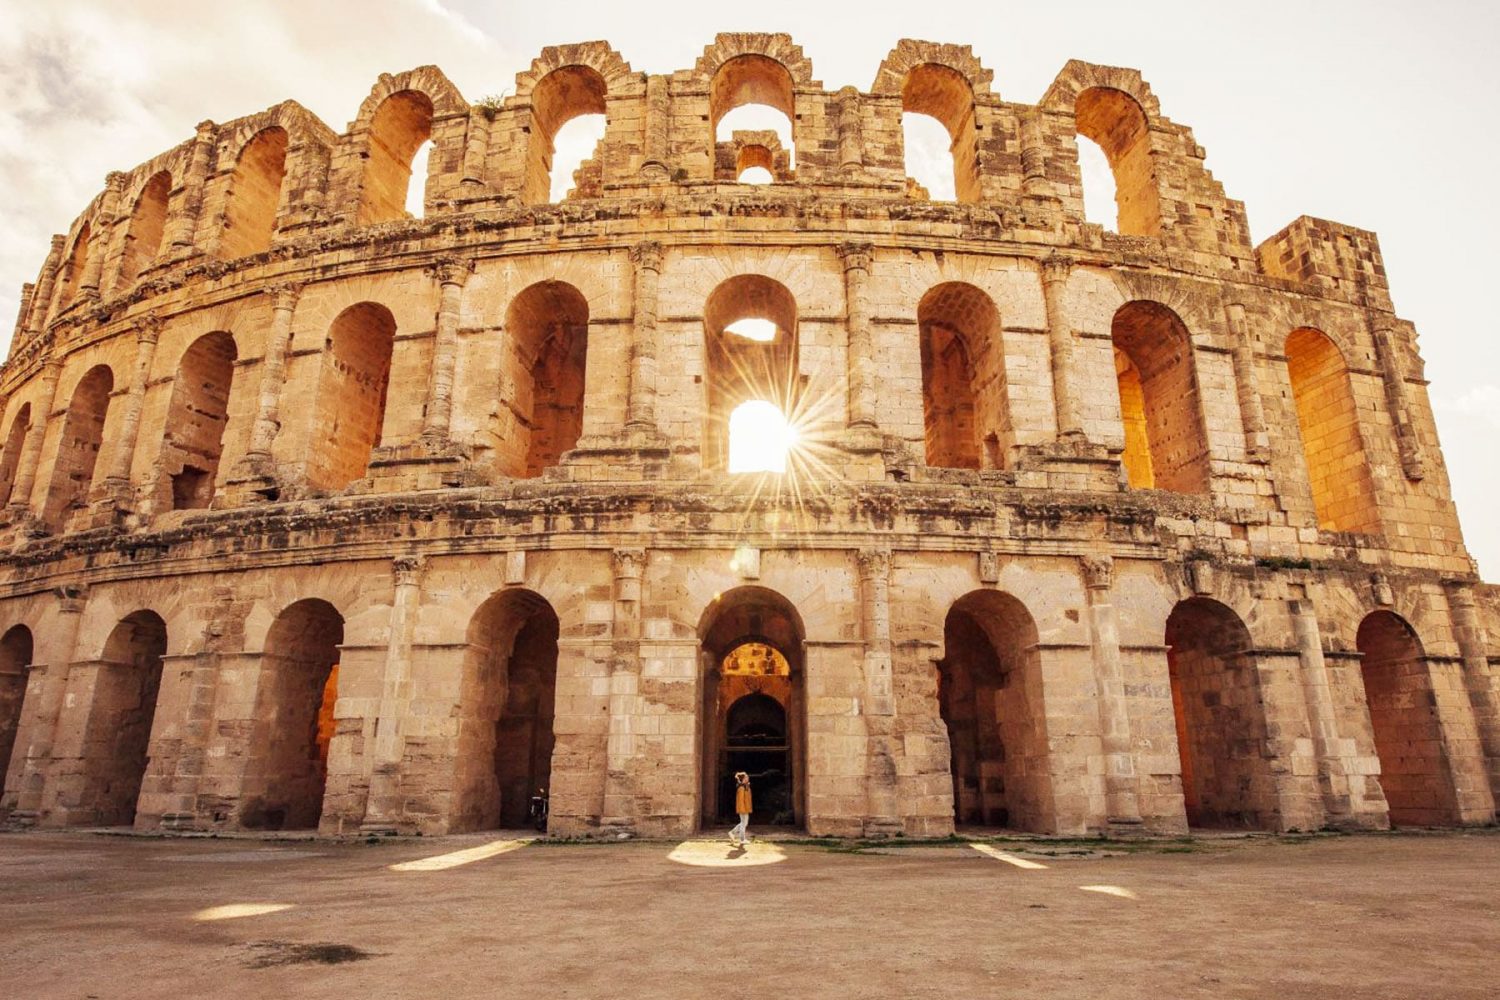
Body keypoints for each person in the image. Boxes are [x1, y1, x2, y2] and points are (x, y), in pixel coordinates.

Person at [729, 771, 752, 846]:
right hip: (743, 808)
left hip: (745, 808)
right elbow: (740, 800)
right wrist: (742, 809)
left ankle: (732, 833)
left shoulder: (745, 787)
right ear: (742, 779)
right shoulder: (741, 788)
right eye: (746, 777)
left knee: (744, 823)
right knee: (743, 823)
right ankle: (742, 839)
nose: (747, 778)